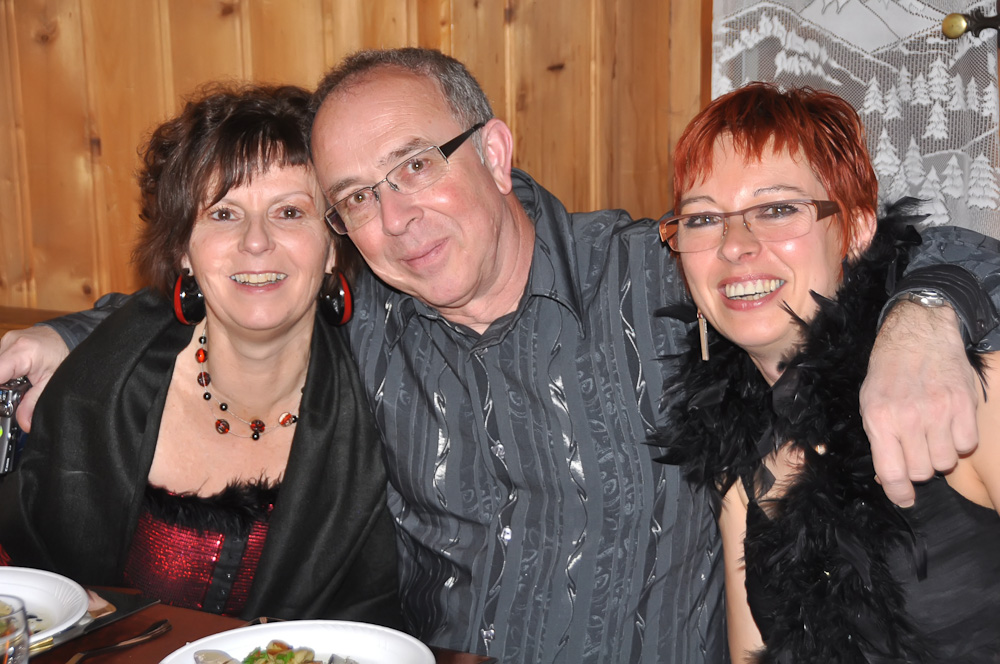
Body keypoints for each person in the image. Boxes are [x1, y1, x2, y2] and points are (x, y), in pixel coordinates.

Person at [2, 49, 999, 662]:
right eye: (357, 197)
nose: (395, 218)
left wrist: (925, 310)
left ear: (493, 153)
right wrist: (66, 333)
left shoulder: (661, 277)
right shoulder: (368, 322)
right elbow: (242, 282)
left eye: (414, 166)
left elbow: (856, 247)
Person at [0, 84, 403, 627]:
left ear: (333, 244)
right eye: (224, 214)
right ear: (181, 249)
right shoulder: (100, 386)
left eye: (289, 211)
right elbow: (24, 577)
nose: (256, 241)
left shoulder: (385, 397)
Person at [655, 83, 1000, 662]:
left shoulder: (964, 387)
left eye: (777, 209)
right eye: (704, 218)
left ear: (857, 229)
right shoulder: (741, 470)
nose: (735, 245)